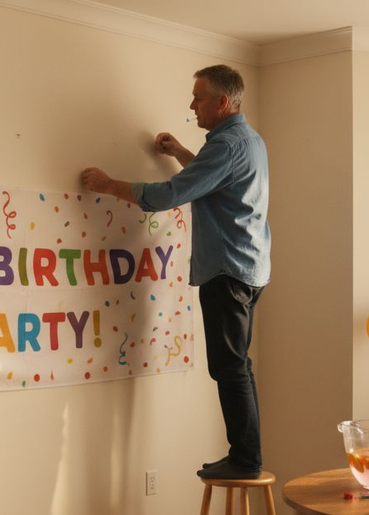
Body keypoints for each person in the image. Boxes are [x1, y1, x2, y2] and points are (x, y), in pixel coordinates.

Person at [81, 65, 271, 480]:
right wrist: (183, 153)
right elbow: (215, 179)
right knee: (237, 365)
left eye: (199, 97)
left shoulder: (226, 147)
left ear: (222, 102)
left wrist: (111, 185)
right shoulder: (246, 141)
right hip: (248, 268)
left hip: (227, 270)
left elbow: (171, 194)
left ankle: (246, 459)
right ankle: (247, 455)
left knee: (229, 367)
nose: (192, 104)